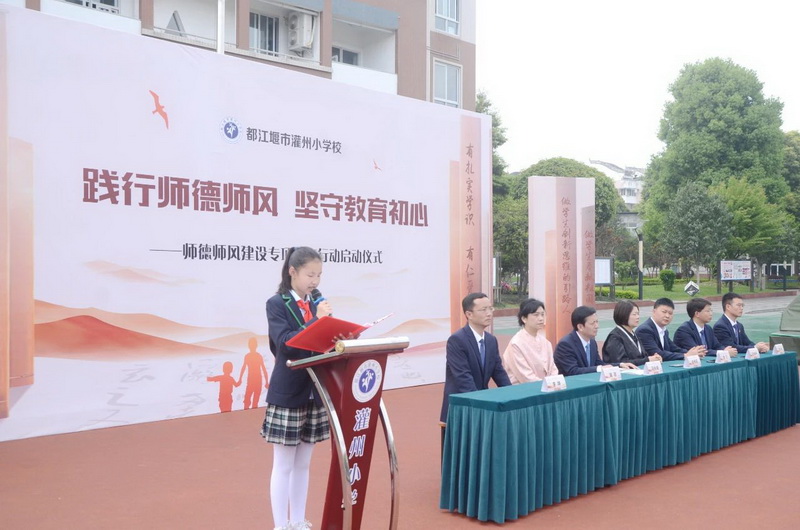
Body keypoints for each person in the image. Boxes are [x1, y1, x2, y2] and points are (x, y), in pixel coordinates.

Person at [262, 246, 334, 530]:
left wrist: (339, 334)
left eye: (319, 275)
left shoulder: (316, 304)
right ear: (293, 272)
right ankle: (281, 526)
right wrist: (317, 321)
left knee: (303, 464)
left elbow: (322, 344)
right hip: (289, 390)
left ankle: (298, 521)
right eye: (310, 274)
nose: (315, 281)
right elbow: (285, 344)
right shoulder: (277, 303)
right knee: (284, 465)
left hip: (314, 390)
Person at [439, 292, 511, 423]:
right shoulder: (457, 340)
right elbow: (463, 378)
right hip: (461, 407)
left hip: (481, 404)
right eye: (483, 310)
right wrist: (481, 403)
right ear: (469, 314)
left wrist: (511, 394)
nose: (489, 313)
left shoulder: (491, 340)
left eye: (490, 308)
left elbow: (499, 372)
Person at [553, 306, 637, 375]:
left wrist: (619, 365)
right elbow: (572, 371)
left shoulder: (592, 342)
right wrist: (598, 368)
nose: (597, 326)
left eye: (597, 322)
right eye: (593, 323)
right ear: (580, 327)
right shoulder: (566, 344)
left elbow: (599, 363)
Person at [501, 298, 558, 383]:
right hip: (525, 389)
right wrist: (547, 385)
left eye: (542, 314)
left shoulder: (546, 343)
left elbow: (553, 369)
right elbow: (525, 376)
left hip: (548, 387)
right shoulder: (516, 344)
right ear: (524, 318)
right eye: (536, 315)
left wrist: (553, 382)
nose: (541, 318)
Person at [635, 298, 706, 361]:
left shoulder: (664, 330)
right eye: (664, 312)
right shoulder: (644, 330)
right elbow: (657, 353)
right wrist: (686, 355)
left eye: (670, 313)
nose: (667, 316)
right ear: (654, 312)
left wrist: (693, 352)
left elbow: (674, 348)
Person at [602, 300, 662, 366]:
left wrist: (654, 358)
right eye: (634, 314)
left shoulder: (633, 335)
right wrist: (648, 360)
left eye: (638, 314)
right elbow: (622, 363)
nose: (637, 317)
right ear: (624, 315)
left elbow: (642, 356)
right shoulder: (614, 337)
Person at [673, 298, 737, 357]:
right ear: (697, 314)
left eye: (711, 311)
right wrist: (723, 352)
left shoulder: (708, 328)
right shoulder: (684, 330)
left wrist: (725, 349)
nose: (711, 313)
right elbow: (698, 351)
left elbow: (717, 345)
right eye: (708, 311)